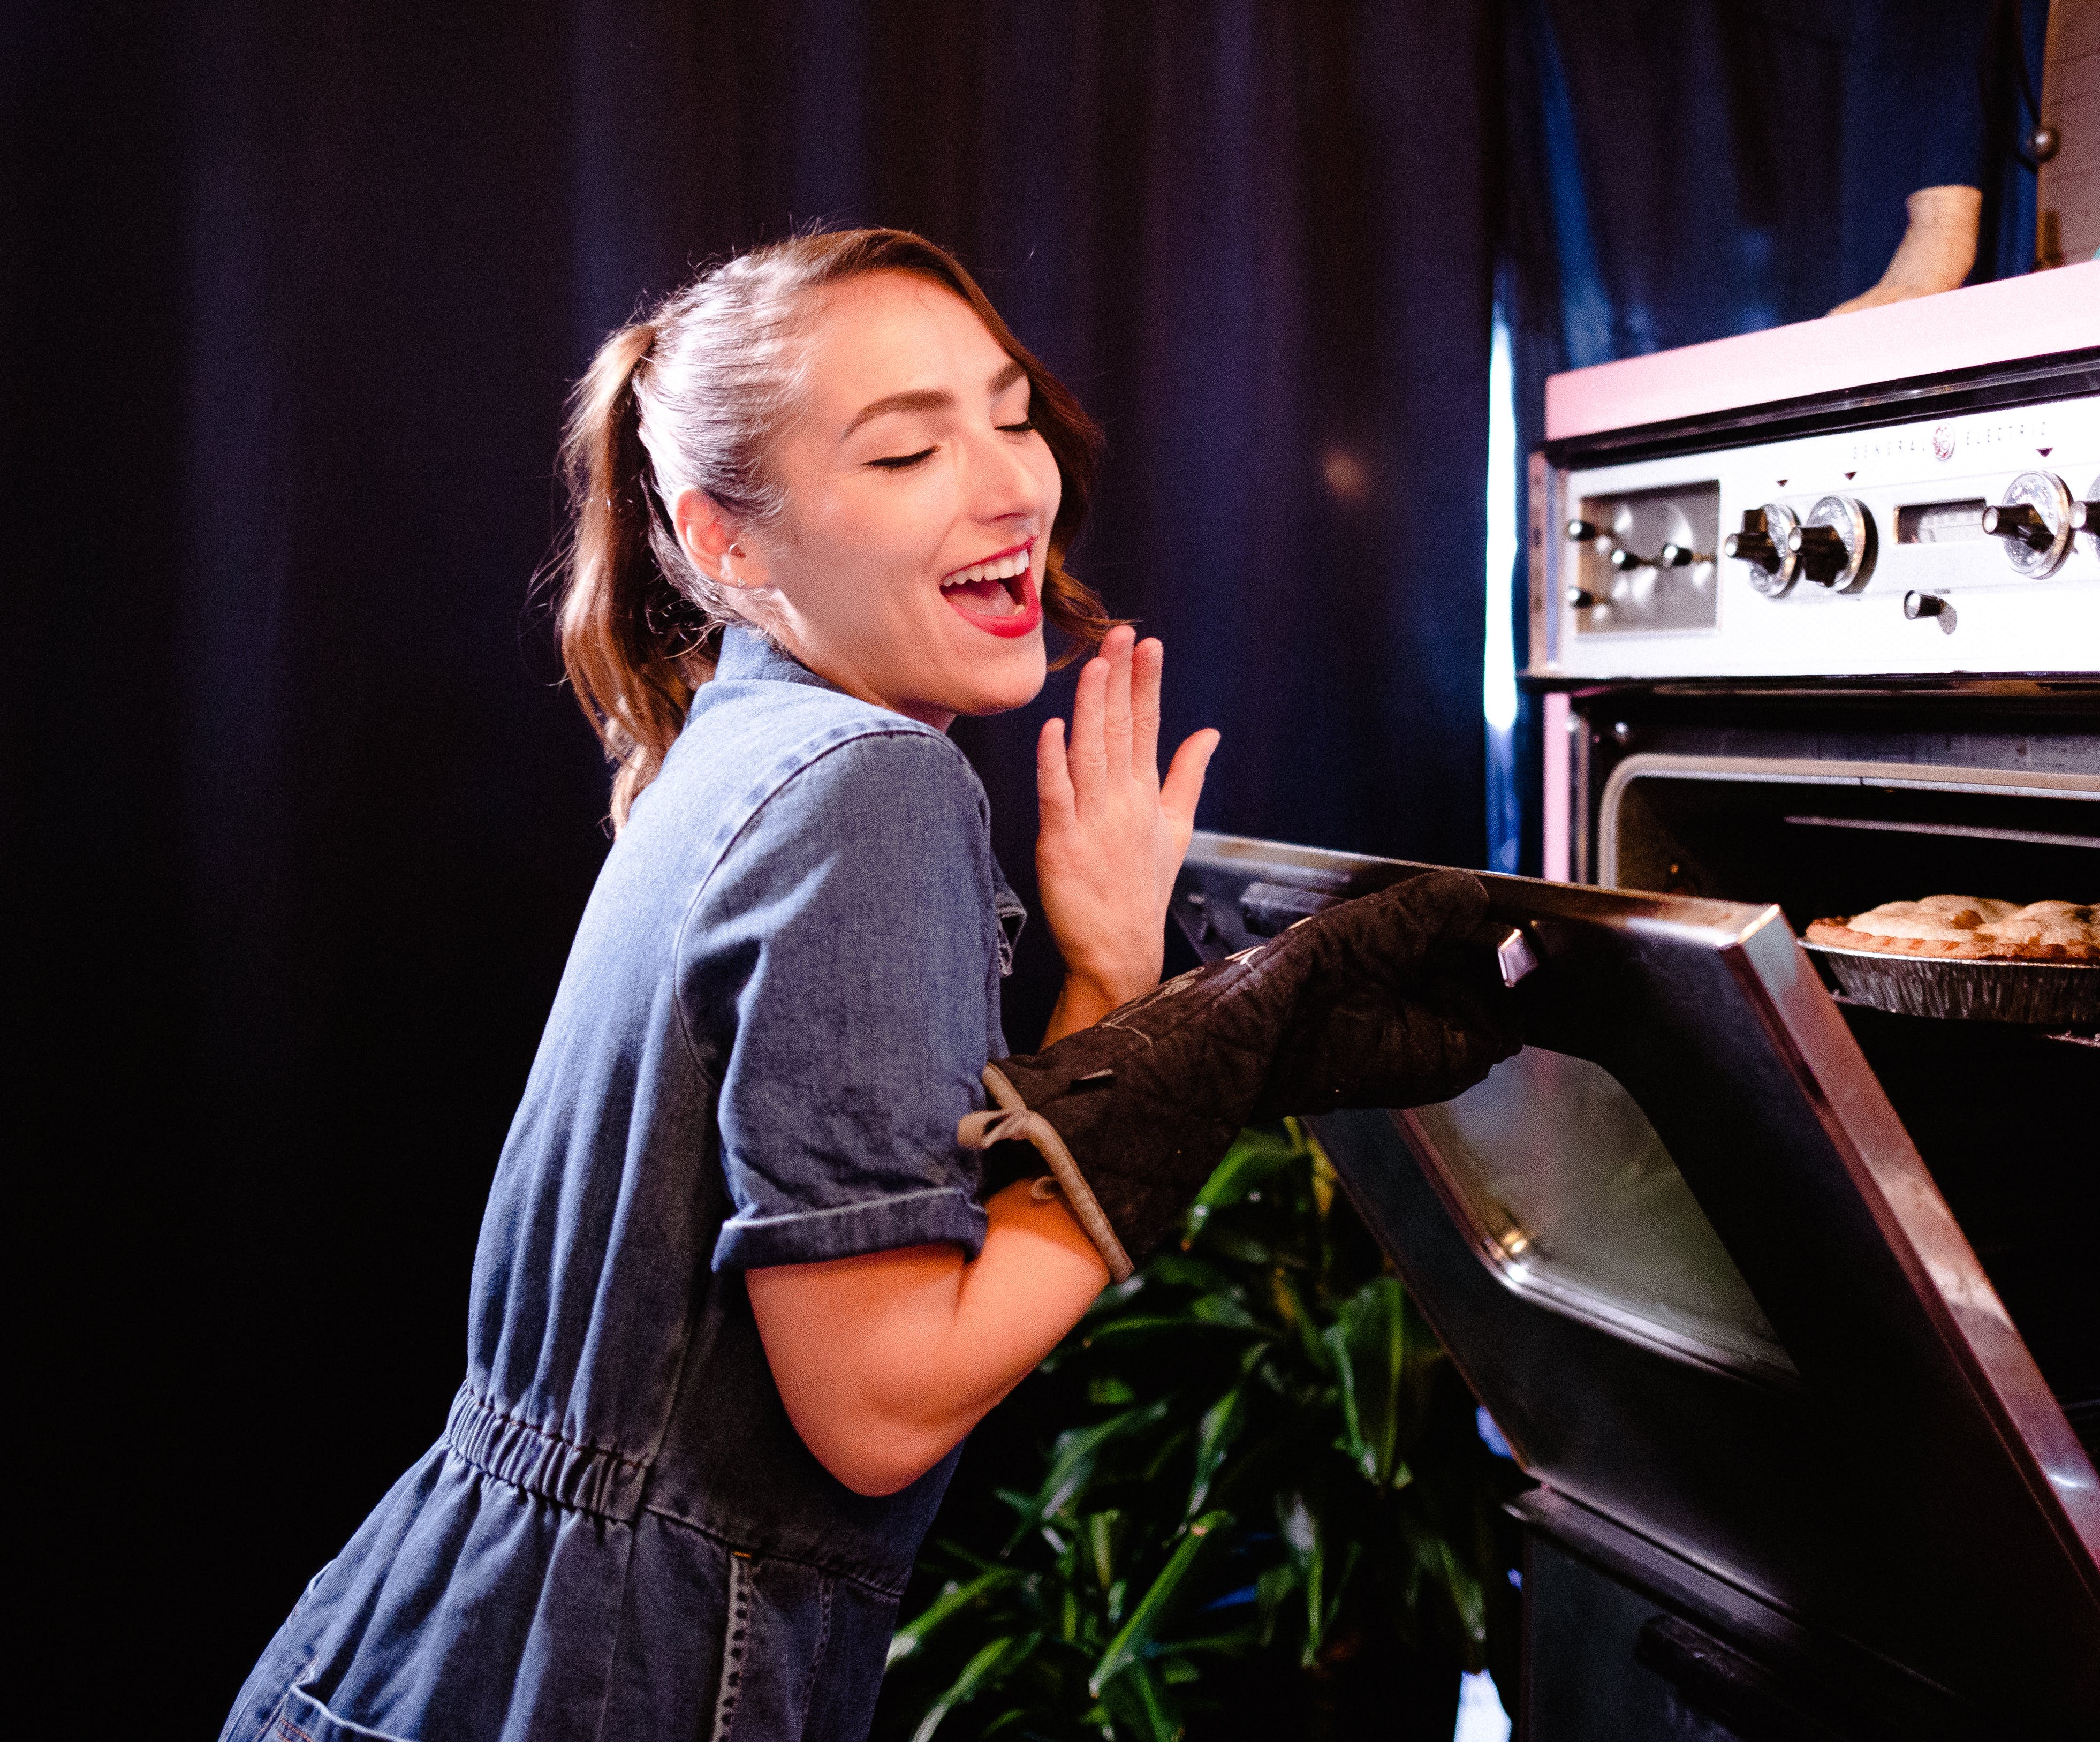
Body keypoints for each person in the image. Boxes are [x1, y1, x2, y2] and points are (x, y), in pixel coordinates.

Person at [218, 229, 1510, 1742]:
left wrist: (1110, 982)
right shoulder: (868, 783)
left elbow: (916, 1314)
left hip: (426, 1651)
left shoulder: (741, 745)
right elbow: (882, 1408)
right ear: (729, 543)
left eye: (1011, 413)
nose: (1012, 483)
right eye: (906, 451)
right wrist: (1208, 1057)